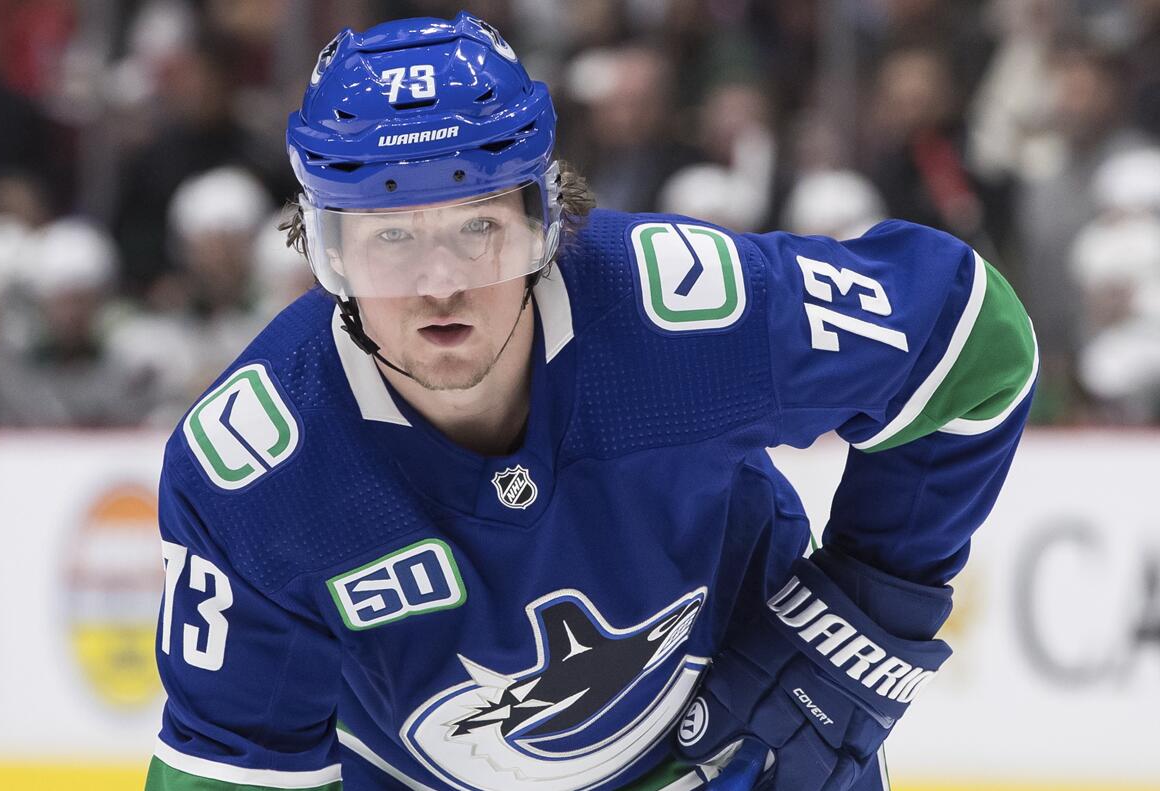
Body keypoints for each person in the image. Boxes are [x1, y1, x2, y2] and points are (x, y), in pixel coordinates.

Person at [145, 13, 1037, 791]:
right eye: (388, 241)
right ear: (323, 248)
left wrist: (859, 617)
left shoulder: (683, 320)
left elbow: (973, 339)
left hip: (741, 757)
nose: (437, 285)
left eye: (478, 227)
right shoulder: (258, 469)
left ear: (545, 220)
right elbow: (232, 762)